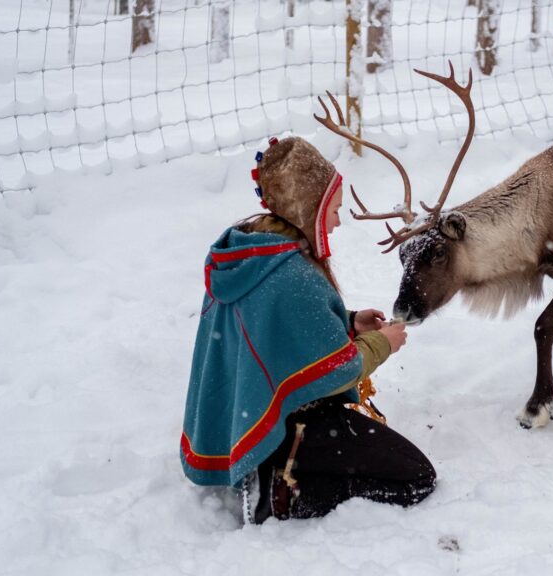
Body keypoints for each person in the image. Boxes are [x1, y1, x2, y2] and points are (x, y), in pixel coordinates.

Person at [179, 136, 436, 523]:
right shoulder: (294, 274)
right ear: (308, 208)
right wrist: (383, 343)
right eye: (332, 209)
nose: (335, 221)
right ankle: (287, 493)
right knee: (417, 477)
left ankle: (271, 464)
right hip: (293, 424)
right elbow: (340, 370)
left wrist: (347, 322)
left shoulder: (249, 252)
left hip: (247, 415)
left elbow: (275, 327)